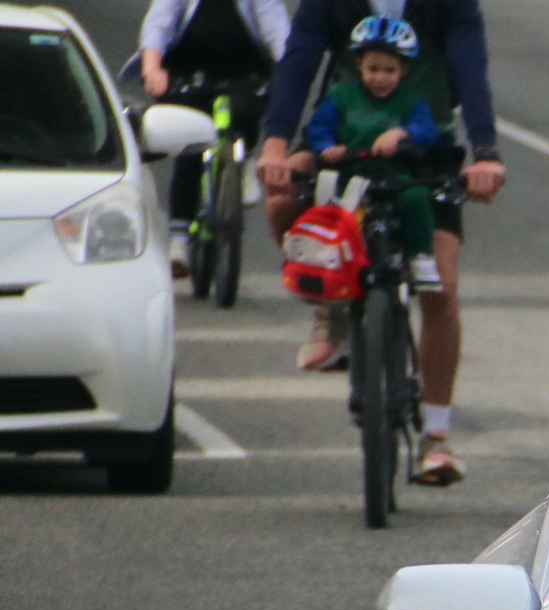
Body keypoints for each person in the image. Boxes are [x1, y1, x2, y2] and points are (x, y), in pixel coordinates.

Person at [256, 0, 505, 486]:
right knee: (281, 203)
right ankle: (330, 309)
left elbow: (470, 69)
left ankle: (436, 438)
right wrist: (275, 143)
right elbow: (299, 60)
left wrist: (486, 153)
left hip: (422, 151)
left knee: (442, 292)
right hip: (341, 144)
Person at [136, 0, 293, 271]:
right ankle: (179, 237)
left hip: (244, 74)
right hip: (190, 75)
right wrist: (153, 66)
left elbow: (276, 28)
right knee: (190, 145)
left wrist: (289, 69)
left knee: (247, 109)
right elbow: (159, 23)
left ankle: (243, 160)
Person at [293, 20, 442, 290]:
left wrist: (401, 133)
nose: (380, 78)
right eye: (373, 69)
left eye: (390, 71)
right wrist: (326, 148)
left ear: (404, 70)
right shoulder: (342, 97)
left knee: (417, 198)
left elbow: (427, 131)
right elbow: (320, 126)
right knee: (329, 210)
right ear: (359, 65)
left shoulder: (413, 103)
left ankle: (421, 257)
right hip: (349, 179)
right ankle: (325, 261)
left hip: (394, 177)